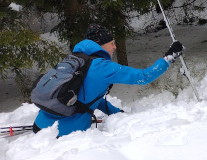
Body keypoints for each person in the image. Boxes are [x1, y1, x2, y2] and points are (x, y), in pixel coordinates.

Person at [33, 24, 184, 137]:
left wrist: (117, 113)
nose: (115, 47)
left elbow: (91, 97)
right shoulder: (102, 67)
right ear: (100, 44)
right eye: (111, 43)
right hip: (66, 135)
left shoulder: (76, 58)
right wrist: (169, 57)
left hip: (40, 125)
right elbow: (143, 77)